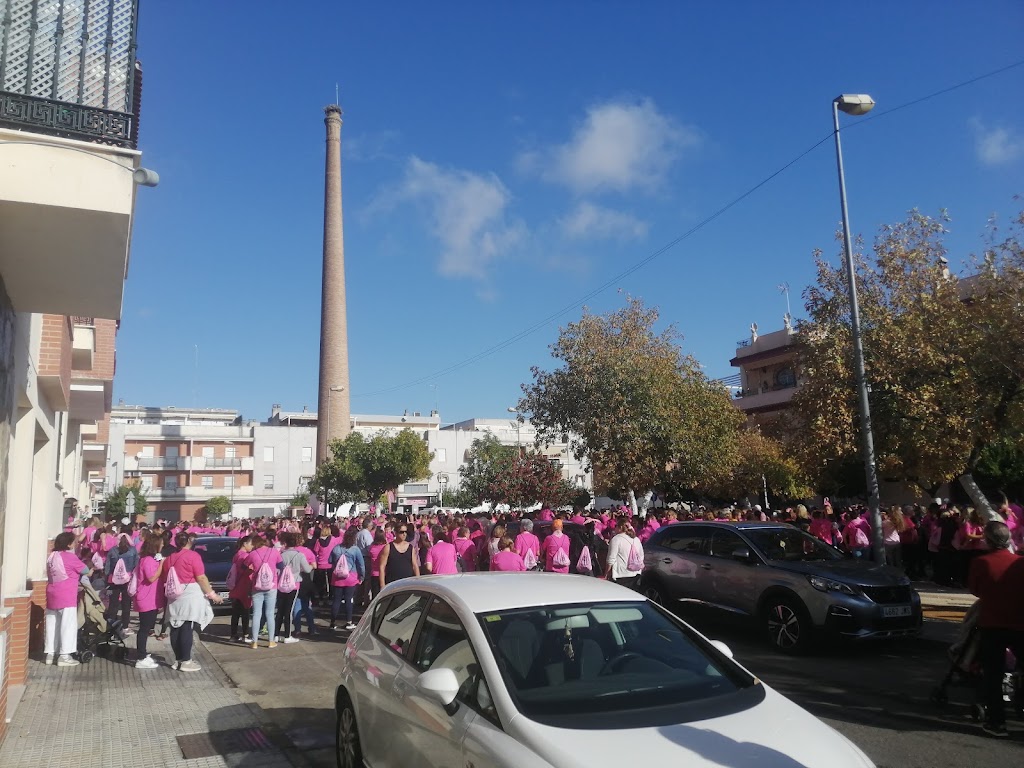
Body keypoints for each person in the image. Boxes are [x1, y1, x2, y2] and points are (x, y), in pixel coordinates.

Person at [967, 521, 1024, 739]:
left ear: (989, 540)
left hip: (993, 625)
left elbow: (975, 589)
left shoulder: (981, 562)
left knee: (993, 674)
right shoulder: (1019, 562)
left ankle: (997, 722)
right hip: (1019, 624)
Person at [163, 532, 223, 671]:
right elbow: (201, 577)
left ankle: (178, 659)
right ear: (190, 541)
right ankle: (186, 661)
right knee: (186, 627)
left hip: (174, 594)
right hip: (189, 594)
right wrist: (212, 595)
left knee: (175, 626)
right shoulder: (193, 556)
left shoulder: (170, 558)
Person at [44, 532, 90, 666]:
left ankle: (50, 653)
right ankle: (64, 655)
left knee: (52, 625)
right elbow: (85, 570)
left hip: (52, 593)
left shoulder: (51, 556)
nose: (75, 544)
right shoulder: (70, 557)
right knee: (67, 625)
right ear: (69, 544)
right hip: (67, 595)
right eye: (73, 542)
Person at [133, 532, 164, 669]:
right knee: (144, 629)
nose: (163, 545)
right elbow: (151, 578)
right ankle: (140, 657)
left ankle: (143, 654)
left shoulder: (150, 559)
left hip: (151, 598)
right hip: (146, 598)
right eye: (161, 543)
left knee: (147, 627)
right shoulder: (147, 560)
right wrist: (161, 565)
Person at [245, 535, 282, 649]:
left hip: (257, 586)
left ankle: (254, 642)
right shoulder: (274, 552)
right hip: (272, 586)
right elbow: (281, 565)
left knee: (256, 614)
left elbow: (244, 566)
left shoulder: (253, 554)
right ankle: (271, 641)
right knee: (270, 614)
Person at [276, 532, 312, 643]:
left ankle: (276, 634)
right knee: (289, 610)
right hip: (294, 584)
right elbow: (307, 569)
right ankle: (287, 635)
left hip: (281, 584)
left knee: (280, 610)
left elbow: (277, 570)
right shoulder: (299, 555)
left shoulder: (281, 555)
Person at [329, 528, 365, 631]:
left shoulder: (336, 548)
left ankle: (332, 622)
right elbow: (361, 565)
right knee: (348, 600)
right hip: (351, 577)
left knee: (336, 600)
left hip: (337, 578)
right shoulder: (355, 549)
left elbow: (330, 561)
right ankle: (349, 621)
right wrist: (361, 576)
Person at [104, 532, 139, 634]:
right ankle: (125, 626)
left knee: (113, 604)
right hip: (127, 579)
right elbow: (136, 565)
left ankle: (111, 625)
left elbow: (107, 567)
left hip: (114, 579)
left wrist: (107, 579)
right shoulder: (132, 550)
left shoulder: (112, 550)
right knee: (126, 604)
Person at [228, 535, 255, 643]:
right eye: (251, 544)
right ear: (245, 544)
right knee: (245, 612)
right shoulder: (244, 557)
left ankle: (233, 635)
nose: (252, 546)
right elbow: (245, 571)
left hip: (235, 587)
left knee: (235, 613)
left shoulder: (236, 555)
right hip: (243, 586)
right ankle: (245, 634)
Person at [378, 523, 420, 590]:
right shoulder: (388, 547)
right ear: (395, 533)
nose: (404, 534)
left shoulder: (410, 547)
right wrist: (382, 585)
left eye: (406, 532)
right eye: (401, 532)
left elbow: (415, 565)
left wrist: (418, 581)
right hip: (392, 584)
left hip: (408, 583)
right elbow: (382, 566)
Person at [605, 520, 643, 588]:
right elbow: (641, 555)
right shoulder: (636, 539)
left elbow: (611, 559)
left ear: (620, 527)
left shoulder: (616, 539)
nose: (614, 528)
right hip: (636, 573)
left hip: (621, 574)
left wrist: (606, 574)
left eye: (616, 526)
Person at [366, 531, 388, 600]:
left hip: (374, 573)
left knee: (375, 594)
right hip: (384, 572)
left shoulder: (372, 547)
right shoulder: (385, 547)